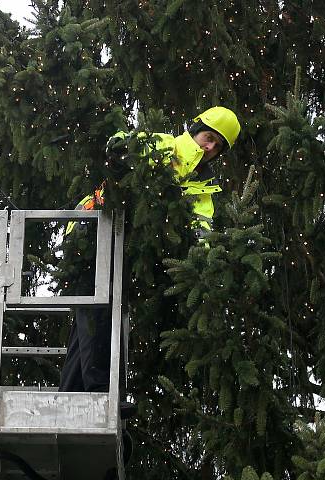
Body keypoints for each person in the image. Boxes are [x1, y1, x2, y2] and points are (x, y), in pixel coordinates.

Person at [58, 106, 241, 394]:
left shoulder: (203, 187)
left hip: (123, 243)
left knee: (94, 314)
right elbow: (121, 145)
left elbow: (202, 230)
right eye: (209, 137)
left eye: (217, 146)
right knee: (100, 308)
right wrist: (119, 146)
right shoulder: (166, 146)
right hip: (93, 229)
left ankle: (71, 395)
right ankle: (101, 392)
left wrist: (201, 267)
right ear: (195, 130)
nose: (210, 147)